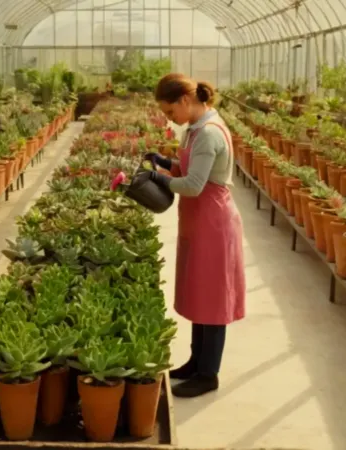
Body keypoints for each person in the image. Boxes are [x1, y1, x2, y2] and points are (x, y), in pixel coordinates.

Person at [140, 73, 246, 398]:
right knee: (201, 292)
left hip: (213, 222)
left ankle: (208, 373)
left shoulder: (208, 134)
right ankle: (196, 362)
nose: (170, 119)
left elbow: (194, 185)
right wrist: (166, 163)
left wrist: (157, 179)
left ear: (185, 101)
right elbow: (187, 171)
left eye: (171, 113)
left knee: (212, 299)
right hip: (199, 221)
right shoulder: (194, 130)